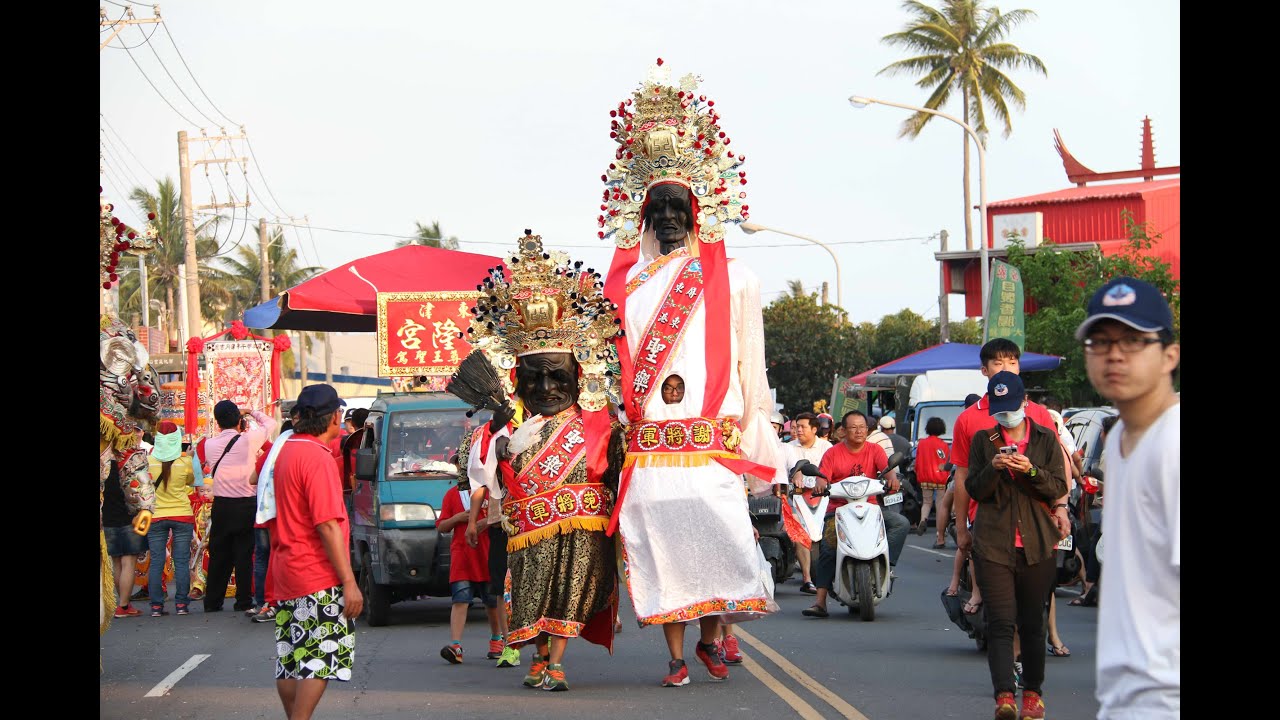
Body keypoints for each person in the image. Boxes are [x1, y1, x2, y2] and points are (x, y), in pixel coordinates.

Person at [599, 61, 779, 688]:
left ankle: (708, 639)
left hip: (709, 448)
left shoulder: (737, 280)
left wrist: (757, 436)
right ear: (644, 217)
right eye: (660, 208)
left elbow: (750, 366)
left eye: (680, 206)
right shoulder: (624, 287)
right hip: (651, 452)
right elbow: (610, 370)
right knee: (663, 555)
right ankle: (676, 657)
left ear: (700, 211)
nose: (670, 218)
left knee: (720, 546)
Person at [460, 231, 624, 692]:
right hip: (528, 529)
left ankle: (557, 662)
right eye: (535, 378)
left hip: (583, 528)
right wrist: (501, 446)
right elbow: (478, 471)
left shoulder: (602, 426)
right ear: (518, 380)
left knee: (572, 594)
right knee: (531, 594)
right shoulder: (507, 428)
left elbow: (622, 473)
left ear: (578, 375)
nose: (547, 388)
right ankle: (538, 655)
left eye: (558, 376)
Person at [1076, 277, 1179, 720]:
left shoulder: (1173, 445)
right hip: (1126, 699)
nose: (1114, 354)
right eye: (1100, 342)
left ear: (1170, 355)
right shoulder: (1120, 442)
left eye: (1134, 341)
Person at [965, 370, 1069, 720]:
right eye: (999, 409)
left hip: (1037, 544)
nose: (1005, 415)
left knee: (1032, 623)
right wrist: (994, 467)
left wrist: (1030, 471)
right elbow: (976, 489)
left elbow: (1057, 487)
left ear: (1025, 402)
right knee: (1000, 622)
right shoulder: (984, 440)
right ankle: (1005, 697)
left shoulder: (1045, 438)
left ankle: (1033, 696)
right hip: (993, 544)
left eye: (1011, 407)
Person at [948, 339, 1064, 615]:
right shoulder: (968, 419)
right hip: (987, 520)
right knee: (1000, 611)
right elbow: (963, 476)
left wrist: (1061, 508)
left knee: (1036, 603)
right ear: (984, 370)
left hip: (1035, 518)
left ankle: (1049, 631)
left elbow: (1059, 467)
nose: (1006, 369)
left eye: (1012, 362)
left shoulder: (1039, 414)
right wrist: (962, 527)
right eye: (998, 363)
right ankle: (977, 595)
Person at [269, 383, 362, 719]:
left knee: (291, 659)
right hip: (316, 573)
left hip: (287, 569)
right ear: (334, 417)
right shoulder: (317, 456)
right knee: (318, 660)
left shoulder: (287, 450)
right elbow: (327, 525)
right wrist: (349, 581)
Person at [804, 410, 908, 618]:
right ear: (843, 431)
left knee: (901, 523)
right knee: (828, 548)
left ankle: (887, 565)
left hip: (871, 508)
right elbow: (822, 477)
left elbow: (888, 471)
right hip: (838, 511)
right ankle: (820, 601)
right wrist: (820, 485)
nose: (859, 431)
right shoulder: (833, 453)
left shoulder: (875, 450)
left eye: (862, 427)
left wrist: (893, 480)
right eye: (853, 427)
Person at [202, 400, 277, 613]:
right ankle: (243, 600)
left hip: (221, 505)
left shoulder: (209, 444)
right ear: (238, 420)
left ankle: (213, 601)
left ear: (217, 422)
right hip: (245, 503)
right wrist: (250, 411)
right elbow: (270, 424)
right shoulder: (248, 440)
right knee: (244, 554)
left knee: (219, 553)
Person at [437, 469, 503, 665]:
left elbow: (503, 515)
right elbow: (441, 526)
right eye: (461, 465)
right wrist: (458, 518)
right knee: (460, 599)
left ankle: (497, 640)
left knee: (492, 602)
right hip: (463, 557)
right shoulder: (452, 495)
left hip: (488, 554)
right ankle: (455, 646)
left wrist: (484, 521)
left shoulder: (492, 491)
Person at [145, 421, 198, 617]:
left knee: (156, 561)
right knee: (181, 560)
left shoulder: (148, 461)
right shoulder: (184, 462)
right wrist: (189, 458)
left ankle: (156, 606)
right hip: (182, 514)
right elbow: (191, 481)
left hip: (156, 515)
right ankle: (182, 604)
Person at [776, 411, 833, 594]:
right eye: (797, 426)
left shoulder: (827, 447)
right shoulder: (789, 448)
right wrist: (796, 477)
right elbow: (793, 468)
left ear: (814, 429)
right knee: (796, 531)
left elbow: (831, 470)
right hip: (796, 497)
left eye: (803, 427)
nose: (798, 430)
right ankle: (807, 578)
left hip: (823, 497)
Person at [103, 461, 150, 618]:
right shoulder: (128, 464)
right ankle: (123, 605)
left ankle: (124, 603)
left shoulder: (103, 466)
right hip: (130, 518)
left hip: (108, 519)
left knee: (117, 563)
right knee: (128, 562)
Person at [915, 417, 951, 543]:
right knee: (940, 504)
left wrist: (918, 473)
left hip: (925, 477)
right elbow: (946, 462)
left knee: (926, 502)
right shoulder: (944, 445)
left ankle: (923, 520)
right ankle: (939, 531)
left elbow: (917, 461)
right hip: (940, 477)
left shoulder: (922, 444)